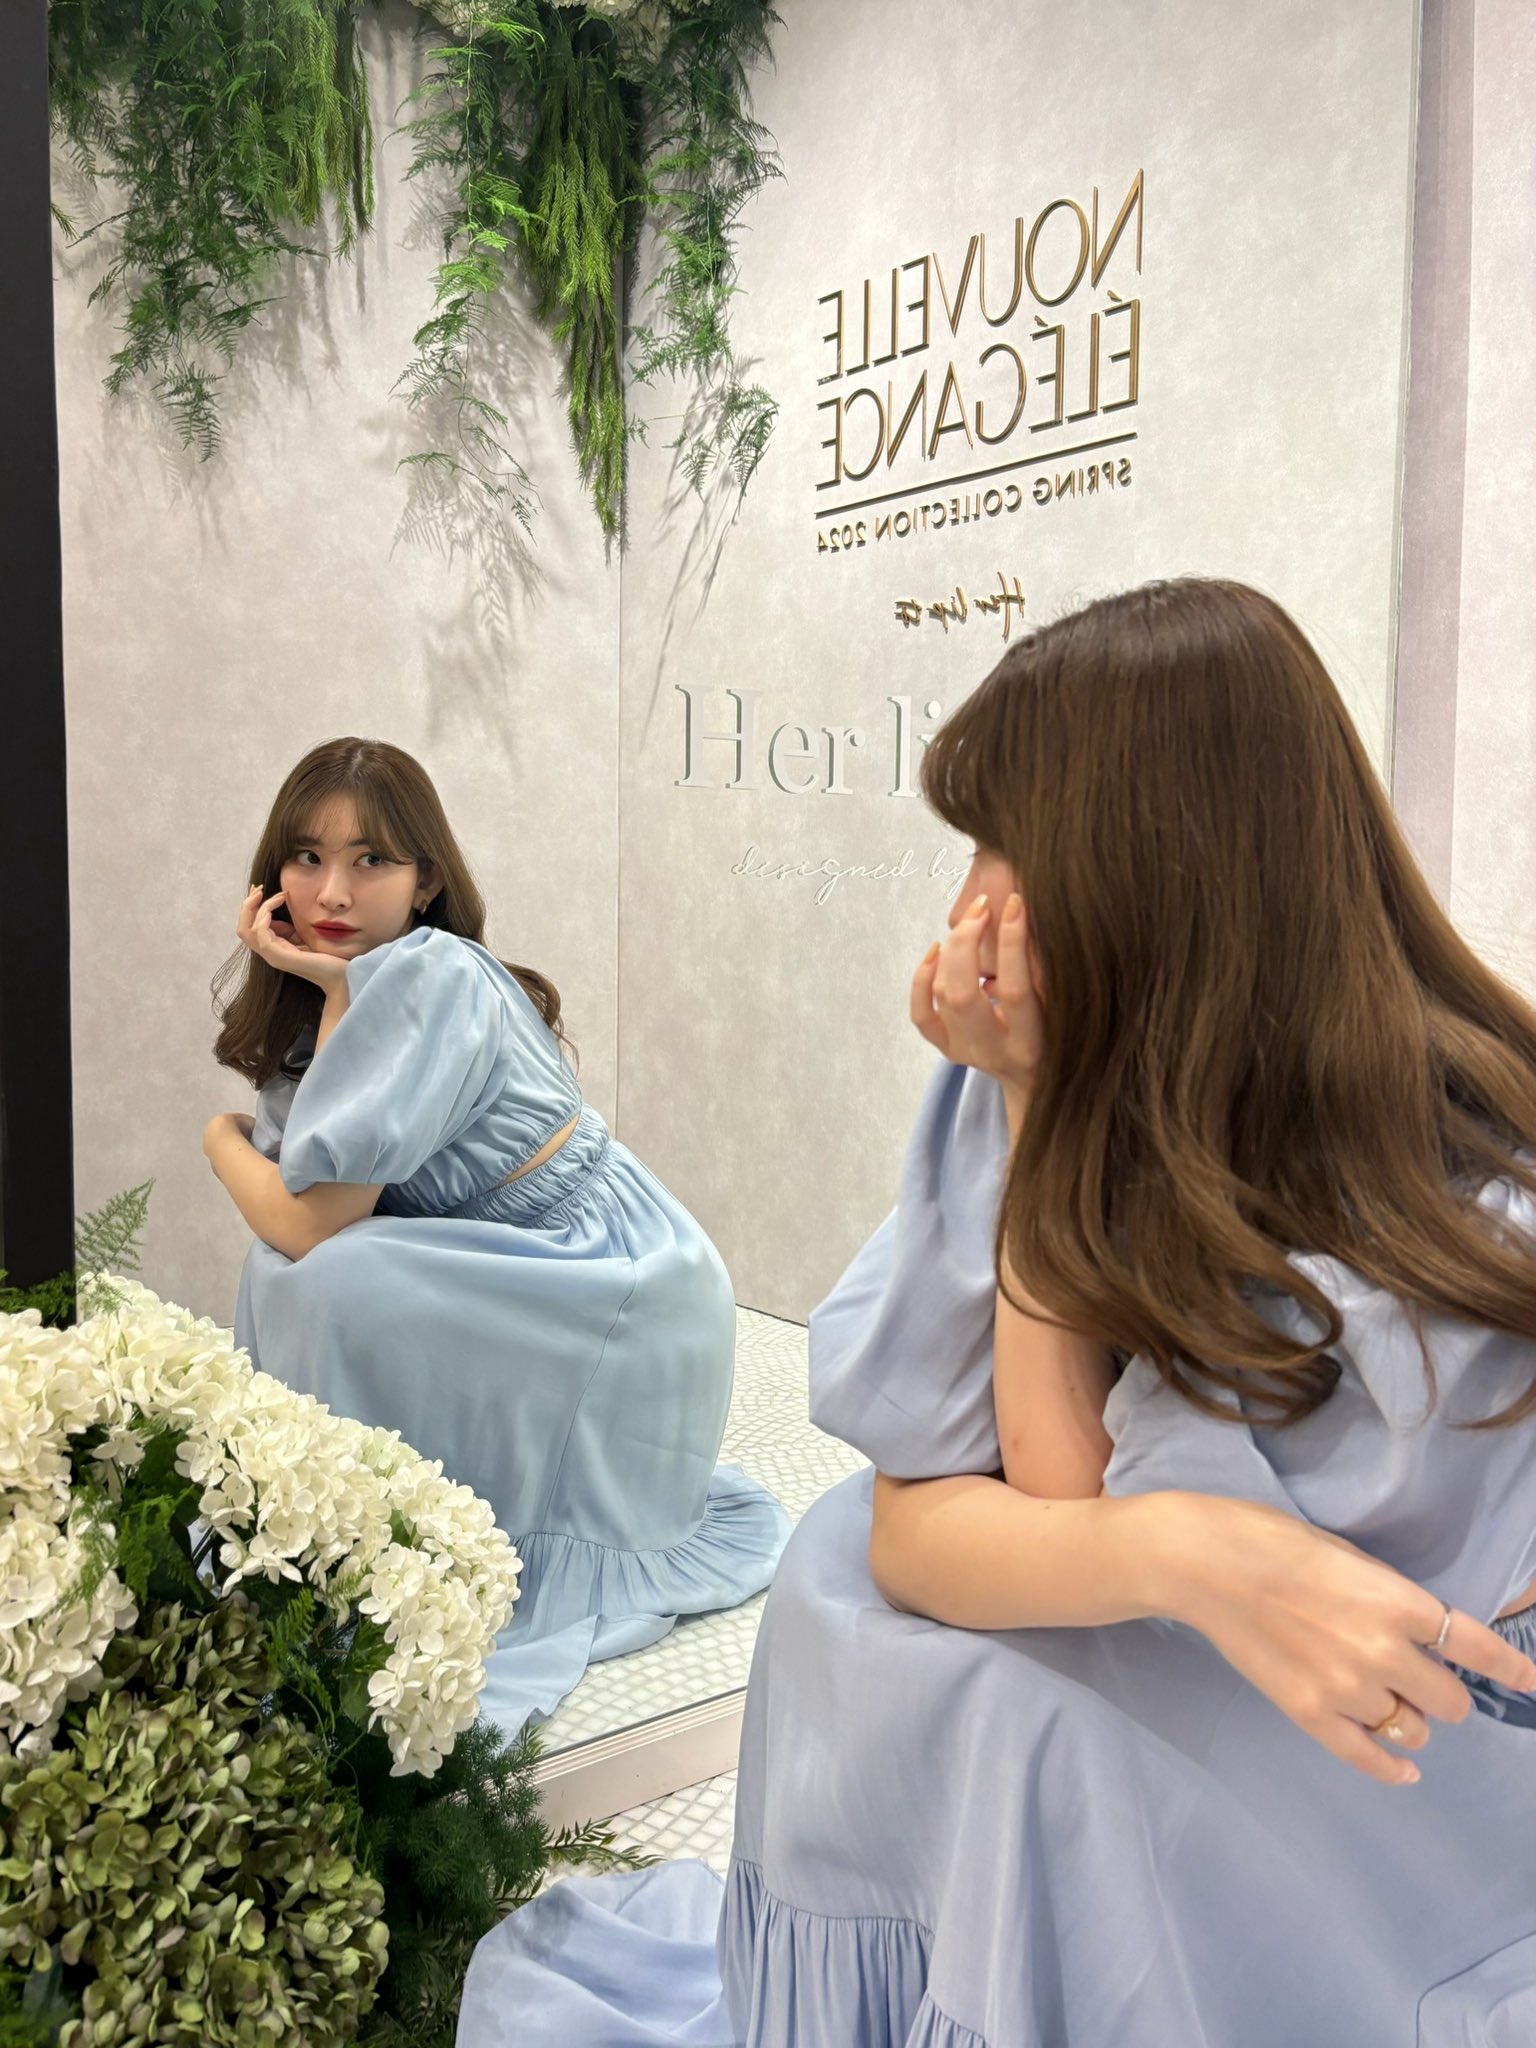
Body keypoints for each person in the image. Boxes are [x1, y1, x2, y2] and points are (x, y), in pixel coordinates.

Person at [457, 580, 1536, 2045]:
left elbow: (1131, 1538)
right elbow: (947, 1509)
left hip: (1403, 1783)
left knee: (1036, 1723)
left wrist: (1165, 1545)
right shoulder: (1040, 1063)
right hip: (1195, 1649)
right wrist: (1033, 1111)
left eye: (999, 843)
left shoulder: (1460, 1200)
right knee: (849, 1579)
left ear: (1150, 865)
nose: (968, 901)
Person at [202, 737, 788, 1732]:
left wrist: (217, 1138)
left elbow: (307, 1219)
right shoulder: (350, 992)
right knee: (306, 1274)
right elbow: (310, 1197)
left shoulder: (431, 974)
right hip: (528, 1264)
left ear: (426, 882)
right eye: (307, 856)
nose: (332, 890)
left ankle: (374, 1549)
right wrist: (323, 982)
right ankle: (331, 1536)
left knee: (322, 1276)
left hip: (613, 1279)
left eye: (371, 860)